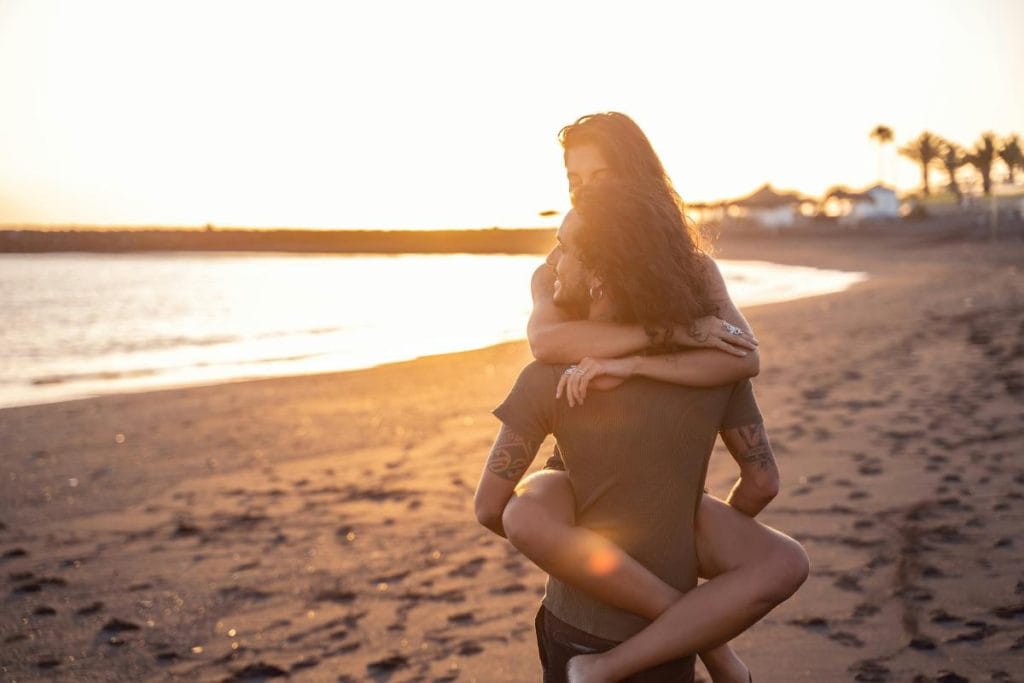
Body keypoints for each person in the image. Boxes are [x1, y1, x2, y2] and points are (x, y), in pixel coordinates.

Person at [494, 113, 807, 682]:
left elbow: (746, 354)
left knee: (524, 512)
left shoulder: (695, 275)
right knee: (529, 510)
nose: (585, 191)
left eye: (600, 175)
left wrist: (631, 363)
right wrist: (673, 336)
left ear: (637, 180)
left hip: (580, 606)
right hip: (598, 512)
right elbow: (547, 342)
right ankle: (702, 637)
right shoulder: (561, 269)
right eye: (574, 179)